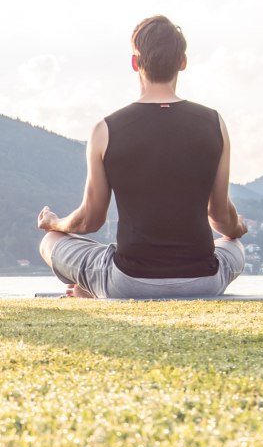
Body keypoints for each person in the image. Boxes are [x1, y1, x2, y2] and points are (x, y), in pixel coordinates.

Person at [37, 16, 249, 299]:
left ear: (135, 63)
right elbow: (220, 218)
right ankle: (96, 287)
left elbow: (90, 220)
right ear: (182, 62)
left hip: (128, 282)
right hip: (203, 280)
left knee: (50, 242)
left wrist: (54, 223)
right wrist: (239, 227)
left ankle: (96, 287)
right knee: (233, 246)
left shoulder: (105, 129)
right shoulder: (214, 123)